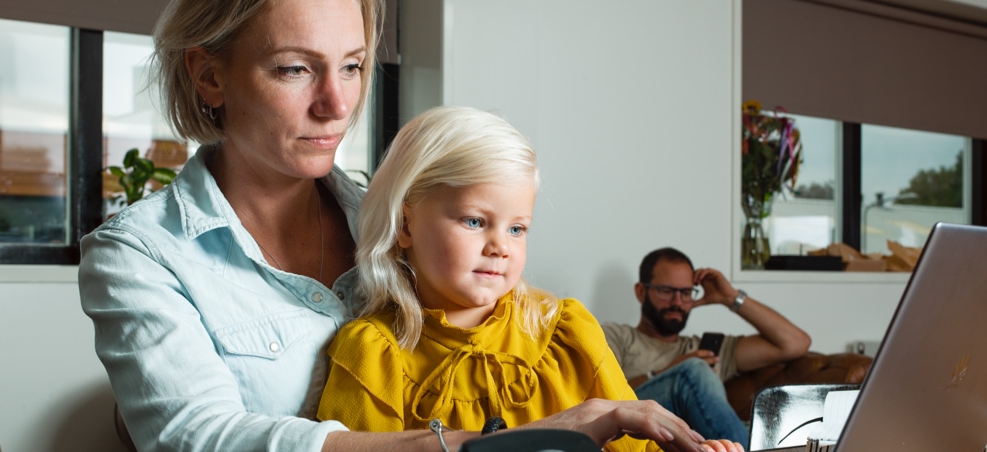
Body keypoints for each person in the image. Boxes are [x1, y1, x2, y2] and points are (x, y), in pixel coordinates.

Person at [76, 0, 729, 450]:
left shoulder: (411, 215)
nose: (336, 104)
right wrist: (511, 441)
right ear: (209, 74)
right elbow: (197, 439)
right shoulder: (140, 254)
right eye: (294, 68)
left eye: (354, 65)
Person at [315, 106, 741, 452]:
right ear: (405, 223)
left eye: (517, 228)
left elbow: (638, 447)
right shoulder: (371, 354)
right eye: (475, 220)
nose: (501, 245)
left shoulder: (567, 330)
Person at [602, 247, 812, 446]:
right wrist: (673, 370)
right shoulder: (617, 336)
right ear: (641, 292)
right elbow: (603, 401)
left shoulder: (707, 348)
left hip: (699, 441)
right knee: (692, 371)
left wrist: (730, 298)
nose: (678, 302)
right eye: (667, 291)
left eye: (686, 293)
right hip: (631, 430)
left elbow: (794, 343)